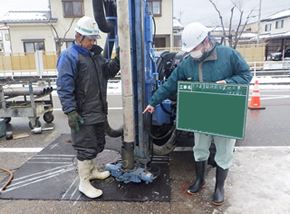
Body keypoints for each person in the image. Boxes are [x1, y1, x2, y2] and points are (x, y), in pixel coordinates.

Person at [143, 22, 252, 206]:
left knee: (224, 152)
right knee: (200, 149)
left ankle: (219, 188)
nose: (192, 52)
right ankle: (200, 180)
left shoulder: (228, 55)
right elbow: (170, 83)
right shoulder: (188, 62)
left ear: (206, 42)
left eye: (194, 48)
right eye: (190, 49)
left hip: (225, 112)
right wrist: (153, 102)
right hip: (201, 113)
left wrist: (228, 82)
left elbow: (246, 75)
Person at [56, 16, 120, 198]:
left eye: (94, 39)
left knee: (96, 143)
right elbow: (64, 85)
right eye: (89, 39)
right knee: (85, 146)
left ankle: (92, 171)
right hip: (82, 113)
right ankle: (84, 182)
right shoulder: (69, 56)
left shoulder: (95, 56)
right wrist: (70, 111)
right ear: (78, 36)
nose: (92, 42)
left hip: (97, 110)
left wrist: (117, 61)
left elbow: (106, 72)